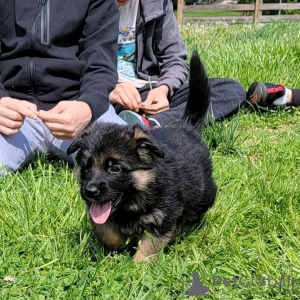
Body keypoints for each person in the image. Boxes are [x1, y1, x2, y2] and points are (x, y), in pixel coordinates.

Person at [0, 0, 126, 175]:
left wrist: (87, 106)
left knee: (136, 163)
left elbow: (101, 63)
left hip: (79, 110)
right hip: (12, 113)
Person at [110, 0, 246, 129]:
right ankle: (150, 125)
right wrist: (108, 91)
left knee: (230, 89)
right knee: (93, 108)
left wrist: (163, 90)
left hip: (148, 93)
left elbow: (175, 59)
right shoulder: (91, 7)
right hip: (105, 95)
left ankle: (150, 124)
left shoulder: (158, 4)